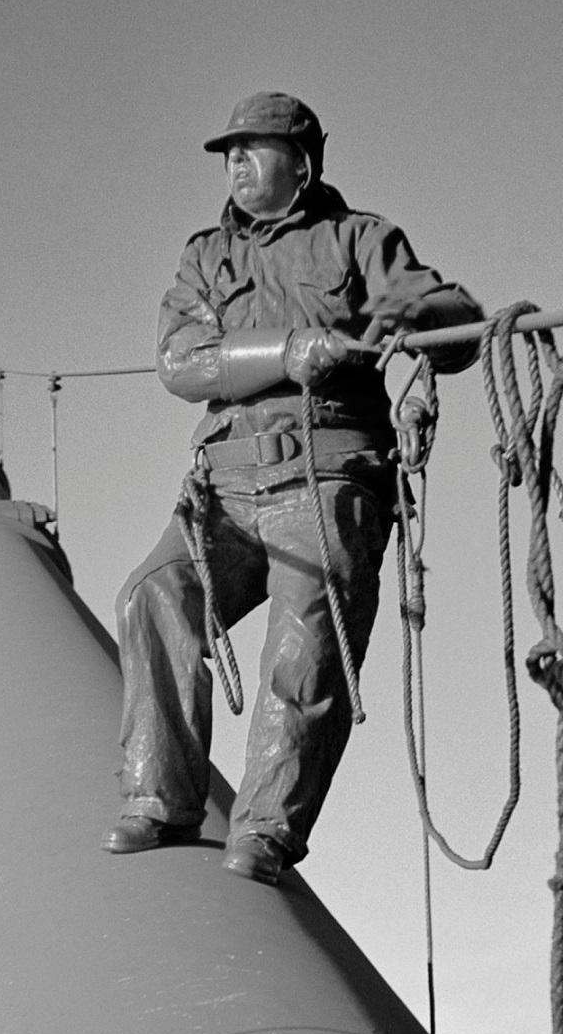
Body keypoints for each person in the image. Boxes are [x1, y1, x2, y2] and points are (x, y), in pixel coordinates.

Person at [105, 91, 483, 885]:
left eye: (252, 148)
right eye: (227, 152)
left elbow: (452, 327)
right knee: (152, 594)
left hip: (328, 477)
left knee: (306, 643)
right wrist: (287, 348)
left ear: (301, 162)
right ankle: (159, 797)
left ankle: (267, 828)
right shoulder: (205, 256)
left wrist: (429, 319)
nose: (235, 163)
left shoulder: (361, 240)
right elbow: (180, 362)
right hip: (226, 485)